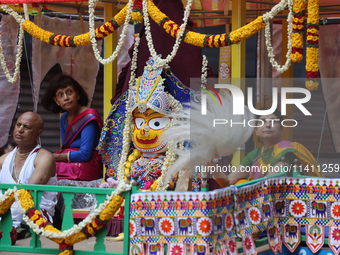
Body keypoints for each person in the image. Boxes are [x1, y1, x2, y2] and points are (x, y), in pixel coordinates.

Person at [213, 109, 323, 187]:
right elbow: (227, 182)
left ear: (281, 128)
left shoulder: (288, 150)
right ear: (256, 130)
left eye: (273, 121)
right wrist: (211, 165)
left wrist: (243, 185)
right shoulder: (254, 155)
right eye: (263, 121)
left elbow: (269, 181)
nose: (267, 125)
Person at [0, 112, 58, 236]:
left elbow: (27, 194)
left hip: (33, 221)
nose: (20, 130)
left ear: (38, 134)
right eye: (18, 125)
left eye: (26, 127)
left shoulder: (45, 158)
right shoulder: (3, 160)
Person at [41, 73, 103, 181]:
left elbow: (85, 154)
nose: (66, 98)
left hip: (88, 165)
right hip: (72, 162)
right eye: (60, 95)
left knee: (46, 166)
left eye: (69, 92)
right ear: (56, 101)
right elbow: (65, 148)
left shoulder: (89, 117)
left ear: (77, 95)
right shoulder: (64, 118)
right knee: (41, 164)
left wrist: (53, 157)